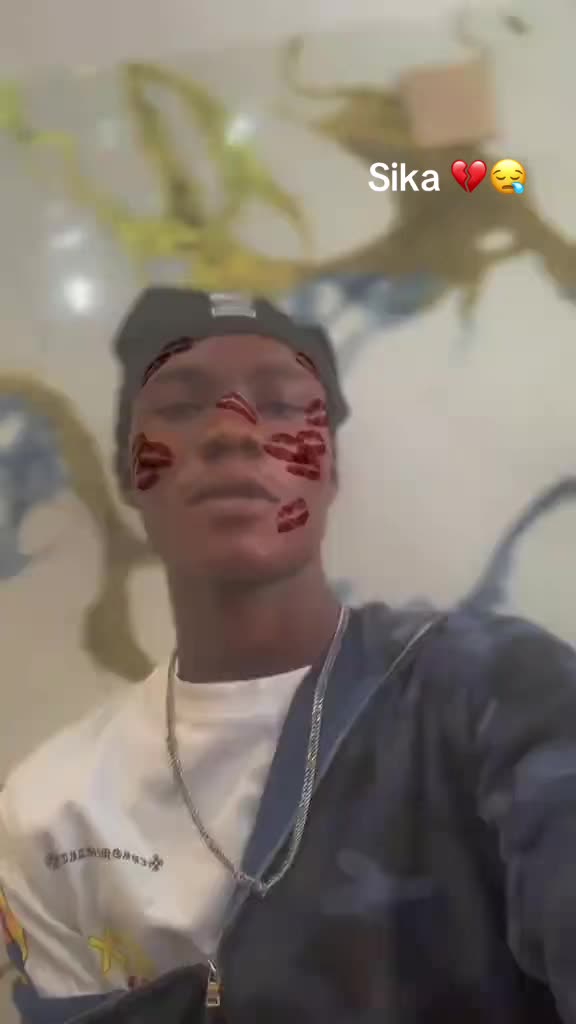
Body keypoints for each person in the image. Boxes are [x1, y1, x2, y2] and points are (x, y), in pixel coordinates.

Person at [1, 288, 576, 1024]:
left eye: (280, 406)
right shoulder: (53, 812)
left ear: (329, 471)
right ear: (128, 472)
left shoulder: (495, 694)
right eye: (180, 407)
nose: (233, 431)